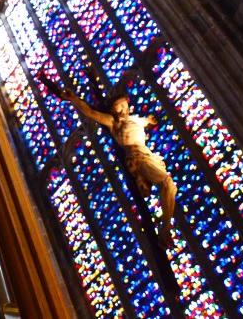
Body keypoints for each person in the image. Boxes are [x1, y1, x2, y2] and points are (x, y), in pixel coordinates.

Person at [59, 88, 177, 248]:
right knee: (166, 183)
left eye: (124, 105)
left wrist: (150, 120)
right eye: (118, 106)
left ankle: (165, 225)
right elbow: (91, 112)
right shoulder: (113, 123)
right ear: (112, 109)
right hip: (136, 157)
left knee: (170, 187)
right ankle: (165, 229)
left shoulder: (137, 120)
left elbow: (149, 120)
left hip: (148, 154)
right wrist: (74, 99)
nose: (122, 109)